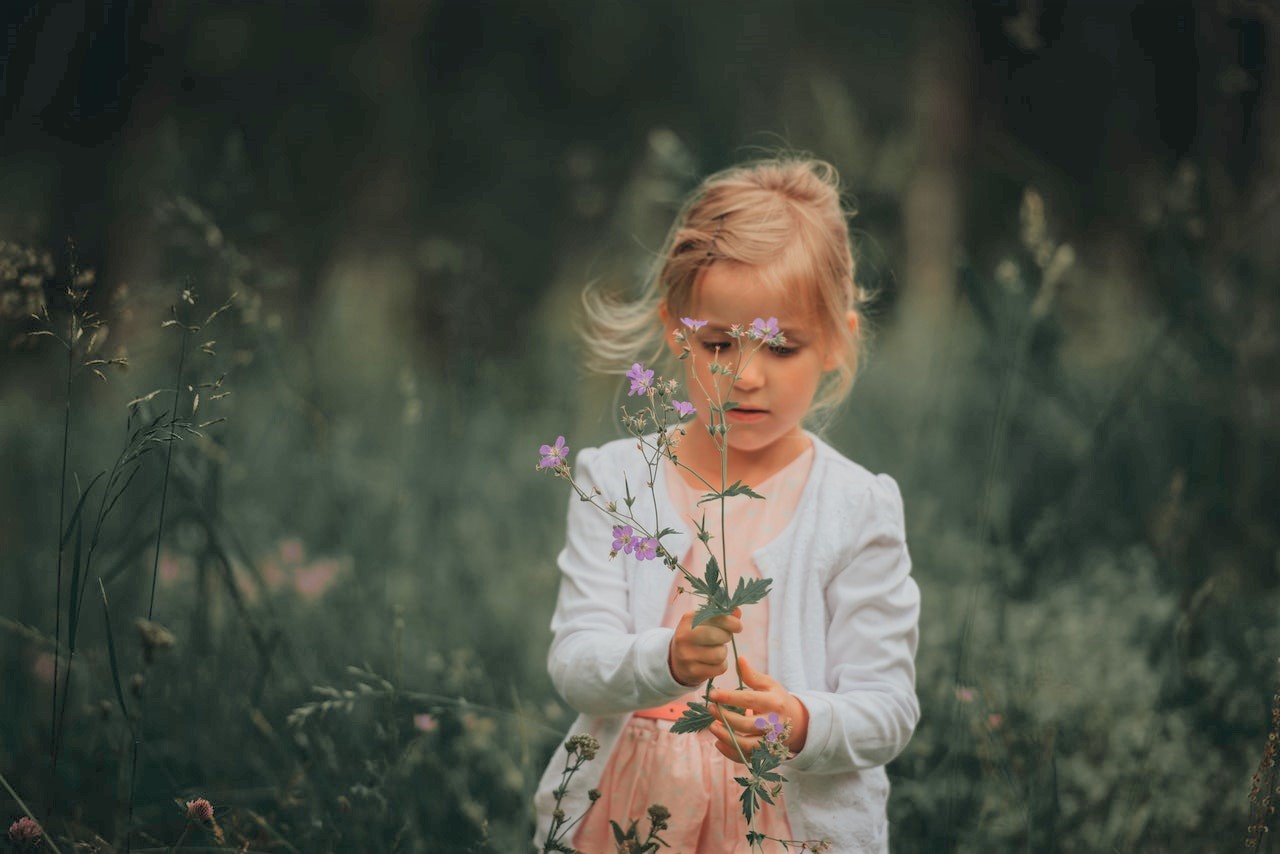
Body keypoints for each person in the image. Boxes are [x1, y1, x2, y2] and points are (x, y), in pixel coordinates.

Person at [534, 156, 920, 852]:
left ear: (837, 342)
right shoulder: (614, 478)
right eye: (717, 343)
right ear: (675, 330)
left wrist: (798, 724)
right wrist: (669, 659)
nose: (745, 374)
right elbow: (576, 662)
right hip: (630, 817)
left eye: (782, 347)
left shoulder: (856, 507)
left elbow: (888, 708)